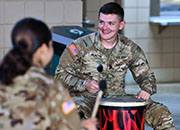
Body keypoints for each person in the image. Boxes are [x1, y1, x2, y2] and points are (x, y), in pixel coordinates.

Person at [55, 2, 175, 130]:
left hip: (117, 99)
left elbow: (146, 75)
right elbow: (59, 76)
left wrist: (146, 89)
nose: (104, 27)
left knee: (162, 114)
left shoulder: (129, 48)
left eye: (111, 23)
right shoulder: (79, 46)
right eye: (101, 22)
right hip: (85, 100)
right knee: (74, 115)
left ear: (121, 25)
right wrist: (84, 84)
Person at [0, 17, 97, 130]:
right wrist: (85, 126)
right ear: (42, 49)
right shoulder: (52, 88)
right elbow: (71, 126)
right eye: (51, 45)